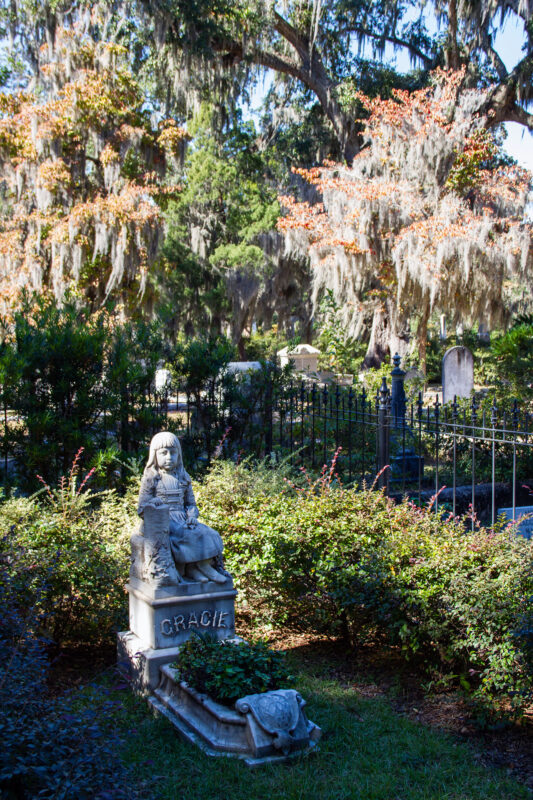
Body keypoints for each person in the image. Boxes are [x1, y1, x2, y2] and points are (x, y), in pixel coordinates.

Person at [138, 431, 227, 584]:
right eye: (163, 453)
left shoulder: (183, 477)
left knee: (208, 533)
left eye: (173, 453)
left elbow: (191, 504)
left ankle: (200, 567)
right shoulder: (151, 478)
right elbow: (141, 507)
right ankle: (195, 568)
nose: (168, 457)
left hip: (183, 518)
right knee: (186, 535)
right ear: (155, 455)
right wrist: (152, 504)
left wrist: (192, 516)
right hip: (164, 520)